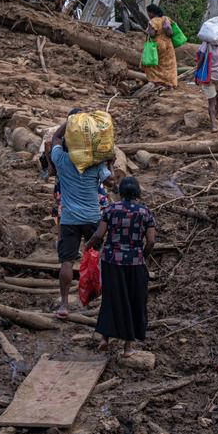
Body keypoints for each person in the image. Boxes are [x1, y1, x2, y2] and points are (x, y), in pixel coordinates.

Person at [48, 115, 115, 319]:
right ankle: (104, 302)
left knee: (67, 263)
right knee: (100, 258)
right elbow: (110, 181)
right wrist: (110, 163)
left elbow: (55, 140)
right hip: (93, 218)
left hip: (69, 219)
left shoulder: (61, 160)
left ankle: (64, 305)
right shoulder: (95, 163)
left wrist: (68, 123)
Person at [89, 176, 155, 357]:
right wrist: (143, 255)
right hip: (135, 262)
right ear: (137, 192)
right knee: (134, 301)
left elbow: (99, 234)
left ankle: (104, 338)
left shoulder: (111, 209)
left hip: (111, 261)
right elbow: (151, 241)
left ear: (121, 192)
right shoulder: (145, 212)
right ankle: (128, 347)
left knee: (111, 299)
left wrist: (90, 246)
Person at [141, 4, 179, 90]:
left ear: (152, 13)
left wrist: (145, 32)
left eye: (148, 13)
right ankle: (170, 83)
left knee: (154, 64)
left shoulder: (153, 22)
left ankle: (158, 82)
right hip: (169, 44)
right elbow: (170, 32)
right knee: (169, 65)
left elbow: (152, 34)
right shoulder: (166, 19)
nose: (148, 15)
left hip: (158, 44)